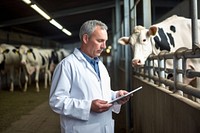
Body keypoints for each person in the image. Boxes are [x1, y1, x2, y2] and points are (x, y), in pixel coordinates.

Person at [49, 20, 130, 133]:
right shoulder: (67, 65)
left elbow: (100, 92)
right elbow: (56, 101)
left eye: (105, 41)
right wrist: (88, 107)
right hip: (80, 129)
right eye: (100, 41)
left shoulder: (100, 65)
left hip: (105, 127)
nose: (104, 46)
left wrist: (115, 96)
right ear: (86, 39)